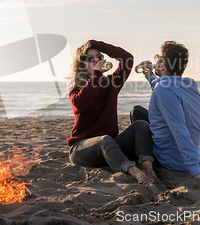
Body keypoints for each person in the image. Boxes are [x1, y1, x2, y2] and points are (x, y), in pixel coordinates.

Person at [67, 39, 158, 183]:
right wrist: (97, 74)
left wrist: (99, 45)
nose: (97, 61)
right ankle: (136, 173)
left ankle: (148, 168)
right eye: (91, 59)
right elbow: (80, 104)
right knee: (105, 139)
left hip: (111, 151)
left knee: (141, 125)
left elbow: (127, 59)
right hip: (82, 149)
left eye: (99, 57)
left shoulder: (111, 83)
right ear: (81, 65)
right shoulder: (75, 86)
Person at [131, 41, 200, 183]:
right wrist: (150, 75)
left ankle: (147, 163)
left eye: (158, 58)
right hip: (182, 158)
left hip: (170, 161)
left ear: (161, 65)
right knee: (137, 111)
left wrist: (195, 171)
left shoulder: (162, 90)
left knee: (138, 122)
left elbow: (180, 130)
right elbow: (164, 85)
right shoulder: (190, 83)